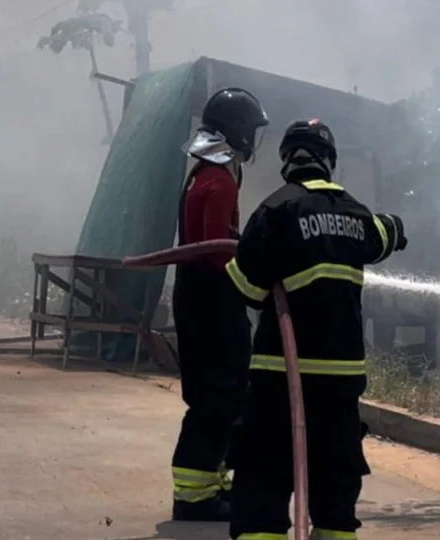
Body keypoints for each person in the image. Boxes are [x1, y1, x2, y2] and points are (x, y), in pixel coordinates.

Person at [224, 118, 407, 539]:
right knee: (335, 484)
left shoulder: (275, 210)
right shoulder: (356, 214)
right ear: (330, 162)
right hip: (341, 381)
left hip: (280, 375)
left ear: (288, 160)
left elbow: (246, 289)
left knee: (263, 480)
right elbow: (384, 234)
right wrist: (397, 228)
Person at [171, 87, 269, 522]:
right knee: (220, 394)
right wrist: (256, 283)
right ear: (237, 130)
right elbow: (218, 250)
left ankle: (212, 483)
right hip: (213, 297)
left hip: (196, 294)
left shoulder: (202, 173)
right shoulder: (220, 180)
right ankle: (195, 497)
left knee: (219, 395)